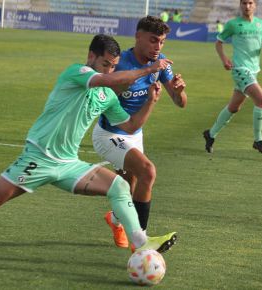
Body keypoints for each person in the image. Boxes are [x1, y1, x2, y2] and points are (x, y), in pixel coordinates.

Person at [0, 34, 178, 262]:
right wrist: (149, 69)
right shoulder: (77, 73)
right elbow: (107, 80)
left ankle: (140, 242)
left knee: (119, 186)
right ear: (91, 57)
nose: (109, 71)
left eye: (113, 66)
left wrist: (152, 101)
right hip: (38, 157)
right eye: (105, 64)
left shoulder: (107, 95)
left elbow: (130, 126)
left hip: (68, 165)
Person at [92, 16, 187, 249]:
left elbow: (180, 103)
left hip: (135, 133)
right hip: (109, 134)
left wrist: (178, 91)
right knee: (148, 171)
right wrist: (148, 71)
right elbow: (110, 88)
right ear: (138, 37)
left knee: (128, 186)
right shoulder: (121, 62)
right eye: (153, 41)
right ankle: (142, 241)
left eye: (162, 42)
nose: (158, 47)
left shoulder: (161, 62)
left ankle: (115, 220)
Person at [203, 0, 262, 154]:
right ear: (240, 5)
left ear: (255, 5)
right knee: (261, 99)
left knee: (234, 107)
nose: (247, 6)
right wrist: (224, 60)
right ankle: (258, 140)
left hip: (254, 71)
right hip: (240, 69)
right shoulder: (233, 24)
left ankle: (211, 134)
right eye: (244, 3)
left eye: (250, 3)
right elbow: (219, 42)